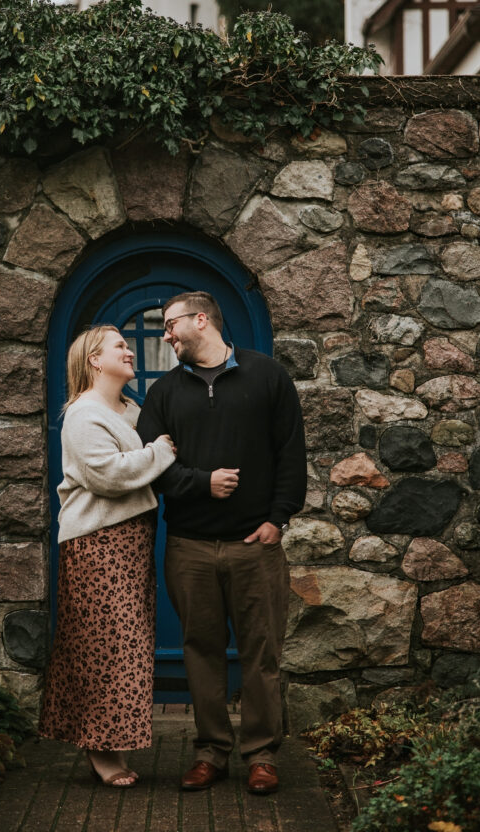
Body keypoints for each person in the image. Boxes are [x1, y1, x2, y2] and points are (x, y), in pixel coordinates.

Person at [137, 291, 306, 795]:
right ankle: (210, 752)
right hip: (189, 546)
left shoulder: (267, 376)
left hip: (255, 544)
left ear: (201, 320)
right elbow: (153, 469)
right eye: (164, 328)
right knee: (200, 651)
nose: (165, 335)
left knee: (261, 652)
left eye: (170, 325)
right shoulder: (164, 393)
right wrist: (200, 483)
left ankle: (262, 755)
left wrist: (279, 519)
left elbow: (291, 452)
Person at [39, 324, 176, 788]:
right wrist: (158, 453)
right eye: (120, 346)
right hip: (95, 545)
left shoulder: (131, 409)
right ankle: (100, 749)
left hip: (131, 542)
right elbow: (107, 475)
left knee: (126, 646)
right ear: (94, 359)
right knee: (103, 646)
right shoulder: (84, 414)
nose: (129, 351)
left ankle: (107, 740)